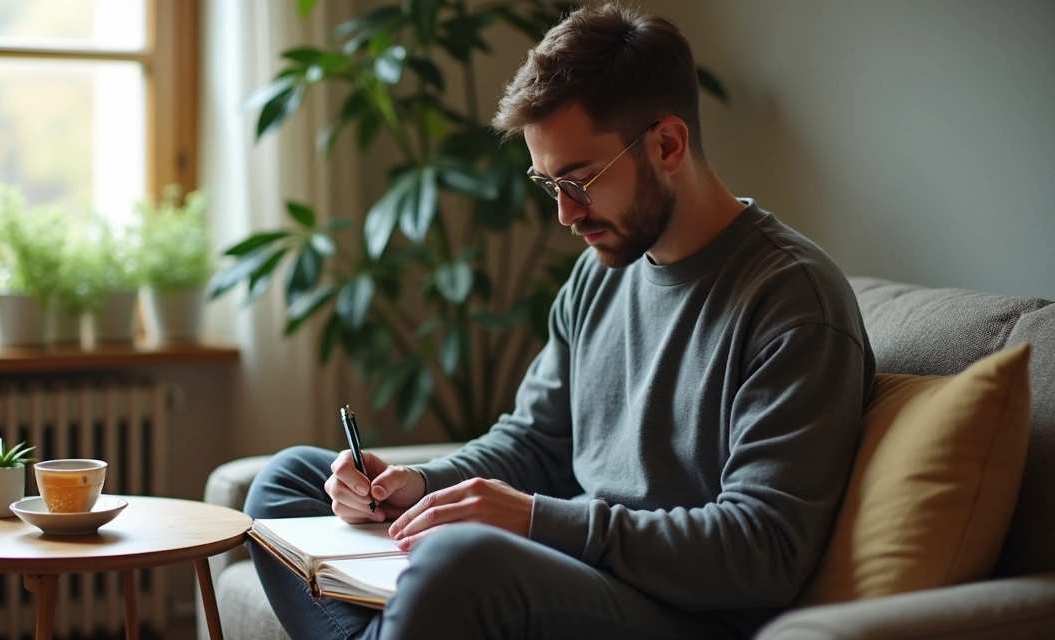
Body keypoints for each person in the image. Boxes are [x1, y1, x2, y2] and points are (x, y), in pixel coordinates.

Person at [244, 4, 876, 639]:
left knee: (457, 563)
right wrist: (416, 485)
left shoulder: (794, 302)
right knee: (286, 480)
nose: (566, 217)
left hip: (684, 611)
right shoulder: (601, 271)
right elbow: (533, 443)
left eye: (580, 180)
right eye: (549, 185)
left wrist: (537, 521)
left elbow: (761, 549)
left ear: (667, 144)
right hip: (576, 567)